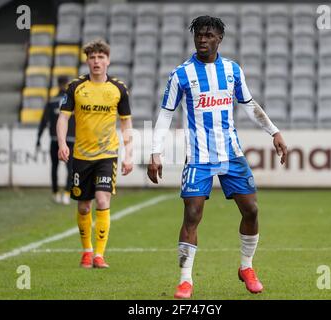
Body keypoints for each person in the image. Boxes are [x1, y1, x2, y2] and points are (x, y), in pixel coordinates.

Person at [147, 16, 288, 299]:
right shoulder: (181, 74)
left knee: (251, 210)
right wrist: (155, 151)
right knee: (192, 214)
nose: (202, 39)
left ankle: (246, 267)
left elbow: (248, 105)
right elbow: (165, 113)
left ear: (219, 38)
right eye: (199, 35)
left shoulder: (232, 70)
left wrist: (273, 132)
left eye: (209, 35)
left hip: (231, 154)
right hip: (198, 157)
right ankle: (186, 280)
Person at [57, 39, 133, 269]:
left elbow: (126, 124)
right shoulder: (76, 87)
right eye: (92, 57)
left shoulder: (118, 89)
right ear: (87, 61)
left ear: (108, 60)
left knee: (102, 199)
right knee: (84, 207)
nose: (96, 61)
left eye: (101, 57)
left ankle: (99, 255)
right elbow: (63, 118)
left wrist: (129, 154)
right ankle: (86, 250)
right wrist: (62, 142)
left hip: (107, 154)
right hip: (81, 156)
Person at [36, 76, 75, 205]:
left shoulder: (52, 101)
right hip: (70, 139)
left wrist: (39, 138)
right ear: (67, 84)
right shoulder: (73, 101)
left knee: (55, 167)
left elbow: (43, 121)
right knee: (70, 168)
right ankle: (67, 193)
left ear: (58, 84)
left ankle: (56, 193)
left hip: (55, 140)